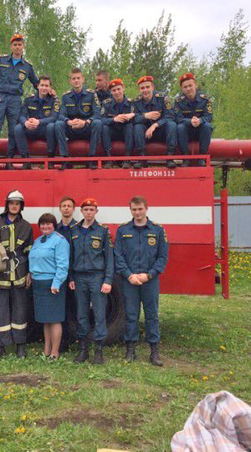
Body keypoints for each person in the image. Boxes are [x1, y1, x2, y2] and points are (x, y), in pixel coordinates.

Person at [113, 196, 169, 366]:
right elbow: (118, 255)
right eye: (134, 209)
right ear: (130, 210)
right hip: (129, 280)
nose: (137, 213)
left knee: (152, 315)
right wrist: (129, 275)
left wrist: (149, 275)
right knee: (131, 315)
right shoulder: (123, 230)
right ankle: (131, 350)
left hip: (149, 280)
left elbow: (162, 257)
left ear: (146, 208)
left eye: (140, 209)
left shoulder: (158, 230)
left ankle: (154, 352)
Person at [0, 190, 33, 359]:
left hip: (19, 274)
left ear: (21, 206)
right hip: (0, 275)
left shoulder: (26, 226)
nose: (14, 206)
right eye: (11, 203)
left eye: (17, 203)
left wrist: (30, 272)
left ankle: (20, 346)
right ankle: (0, 346)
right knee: (0, 312)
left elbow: (30, 251)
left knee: (20, 312)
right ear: (7, 205)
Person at [68, 198, 114, 364]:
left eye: (91, 210)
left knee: (99, 314)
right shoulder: (74, 230)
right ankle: (83, 349)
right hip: (79, 277)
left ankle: (98, 351)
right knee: (81, 314)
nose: (88, 212)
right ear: (81, 211)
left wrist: (108, 280)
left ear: (96, 211)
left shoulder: (102, 231)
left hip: (97, 277)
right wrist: (71, 277)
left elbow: (109, 258)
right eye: (86, 209)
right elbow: (70, 256)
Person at [0, 34, 39, 168]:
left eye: (20, 45)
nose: (17, 47)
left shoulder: (27, 66)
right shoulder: (1, 60)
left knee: (13, 131)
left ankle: (9, 161)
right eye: (15, 45)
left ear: (23, 46)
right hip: (0, 98)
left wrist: (47, 91)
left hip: (15, 100)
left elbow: (36, 83)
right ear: (11, 46)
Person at [27, 213, 70, 360]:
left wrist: (56, 283)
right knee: (45, 319)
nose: (45, 226)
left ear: (54, 225)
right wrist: (30, 273)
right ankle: (46, 350)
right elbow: (34, 260)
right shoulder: (38, 241)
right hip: (38, 283)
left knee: (55, 319)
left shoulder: (60, 241)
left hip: (52, 284)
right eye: (42, 224)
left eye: (48, 224)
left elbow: (63, 265)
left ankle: (55, 352)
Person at [54, 68, 103, 170]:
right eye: (73, 78)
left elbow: (97, 113)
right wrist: (69, 121)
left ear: (83, 79)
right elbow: (61, 115)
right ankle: (65, 159)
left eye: (78, 78)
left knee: (97, 123)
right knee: (58, 124)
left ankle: (91, 159)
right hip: (72, 128)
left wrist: (85, 122)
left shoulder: (91, 94)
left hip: (86, 128)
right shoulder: (65, 96)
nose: (76, 80)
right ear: (70, 81)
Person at [14, 75, 59, 167]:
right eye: (42, 85)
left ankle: (50, 160)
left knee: (51, 126)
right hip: (31, 129)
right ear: (38, 86)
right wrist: (26, 123)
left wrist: (38, 122)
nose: (44, 88)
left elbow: (54, 118)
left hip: (45, 130)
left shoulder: (55, 101)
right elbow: (22, 116)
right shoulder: (28, 100)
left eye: (47, 86)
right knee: (18, 128)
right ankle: (26, 161)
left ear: (50, 88)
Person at [133, 75, 177, 169]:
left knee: (172, 124)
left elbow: (171, 116)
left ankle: (170, 158)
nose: (145, 90)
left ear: (152, 87)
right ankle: (142, 159)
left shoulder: (162, 98)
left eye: (147, 87)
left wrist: (155, 125)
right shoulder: (136, 102)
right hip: (146, 135)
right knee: (137, 127)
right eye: (142, 88)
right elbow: (133, 119)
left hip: (162, 132)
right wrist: (145, 116)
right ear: (139, 90)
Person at [174, 73, 213, 167]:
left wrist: (200, 121)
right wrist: (190, 122)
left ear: (195, 85)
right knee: (179, 127)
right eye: (185, 87)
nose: (188, 89)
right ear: (182, 89)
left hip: (201, 131)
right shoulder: (178, 101)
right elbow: (178, 118)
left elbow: (209, 116)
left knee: (207, 126)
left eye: (190, 85)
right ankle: (186, 158)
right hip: (186, 132)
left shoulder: (205, 99)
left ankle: (202, 158)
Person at [56, 196, 77, 352]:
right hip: (60, 274)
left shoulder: (79, 228)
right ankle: (62, 342)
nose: (66, 208)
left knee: (75, 308)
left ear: (73, 209)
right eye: (64, 206)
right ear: (60, 209)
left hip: (75, 274)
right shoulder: (55, 229)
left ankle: (74, 338)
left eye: (69, 206)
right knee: (61, 308)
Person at [100, 78, 136, 169]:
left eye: (118, 89)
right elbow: (101, 120)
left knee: (130, 126)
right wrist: (114, 119)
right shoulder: (106, 104)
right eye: (114, 90)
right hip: (113, 131)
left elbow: (138, 118)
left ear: (123, 88)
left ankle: (127, 159)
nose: (117, 92)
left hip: (126, 132)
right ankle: (108, 160)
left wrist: (131, 115)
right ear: (111, 92)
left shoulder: (131, 103)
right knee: (104, 128)